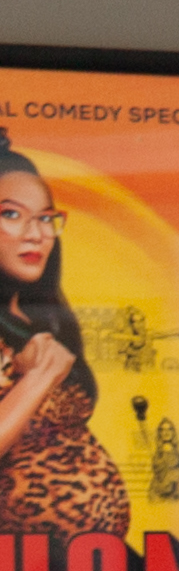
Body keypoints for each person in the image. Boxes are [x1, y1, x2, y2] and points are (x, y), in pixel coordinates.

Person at [0, 143, 129, 542]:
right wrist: (39, 378)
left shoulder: (44, 317)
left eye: (45, 218)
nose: (37, 233)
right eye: (11, 214)